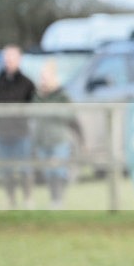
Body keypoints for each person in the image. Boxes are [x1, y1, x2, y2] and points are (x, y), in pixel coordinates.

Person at [32, 60, 80, 209]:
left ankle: (59, 200)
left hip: (58, 139)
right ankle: (54, 200)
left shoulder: (61, 94)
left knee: (58, 171)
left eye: (46, 76)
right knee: (48, 172)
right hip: (42, 140)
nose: (43, 80)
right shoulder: (38, 96)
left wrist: (52, 110)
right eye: (42, 76)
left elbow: (70, 114)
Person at [0, 44, 36, 209]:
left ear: (19, 59)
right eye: (6, 58)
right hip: (3, 133)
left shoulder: (27, 83)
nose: (9, 61)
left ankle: (28, 199)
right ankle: (10, 199)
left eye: (12, 57)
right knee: (6, 170)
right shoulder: (0, 82)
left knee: (24, 168)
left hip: (21, 132)